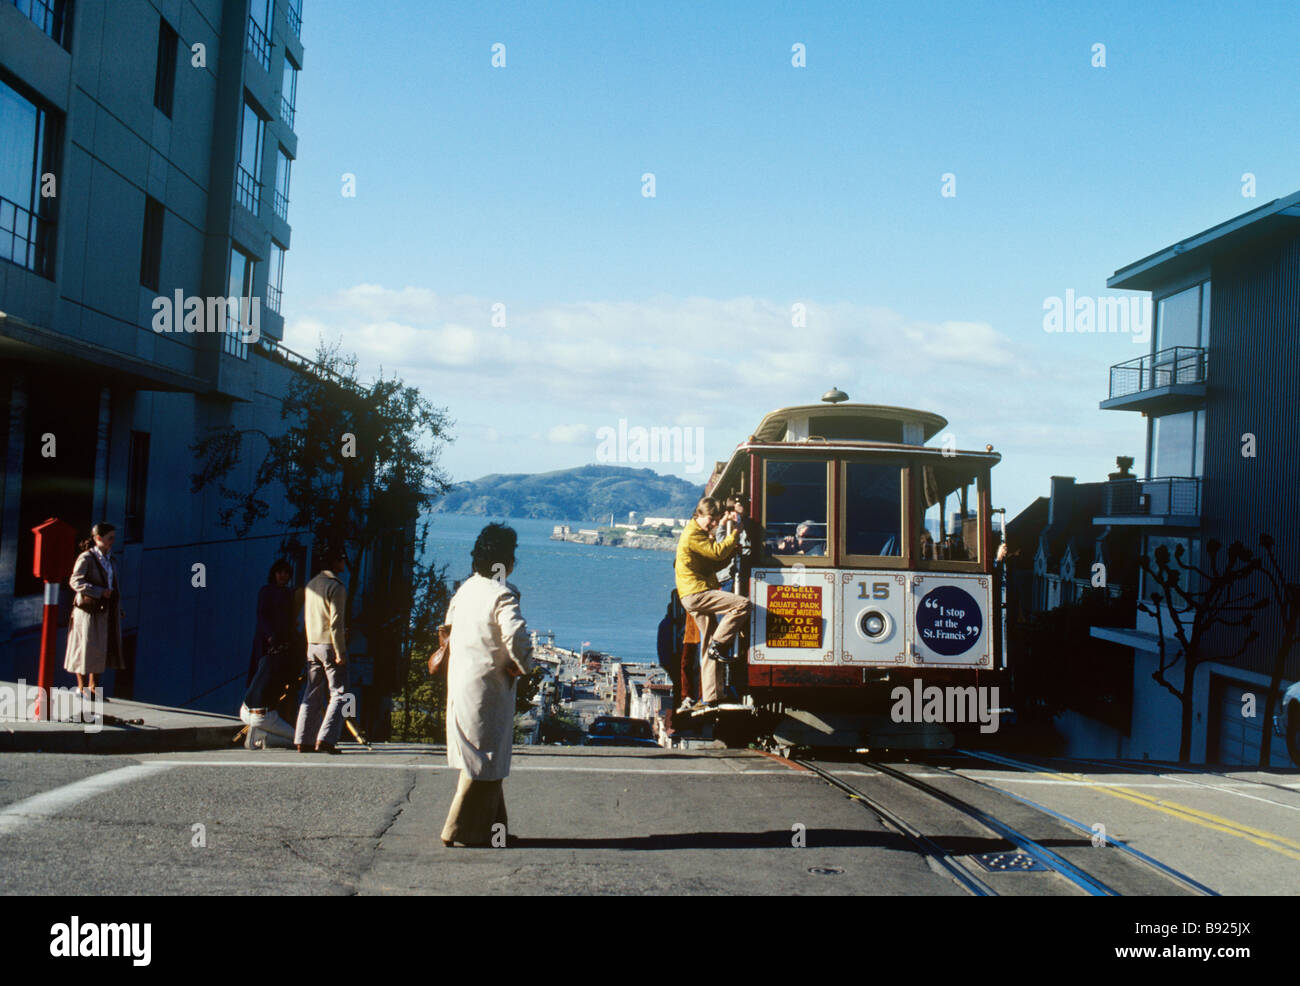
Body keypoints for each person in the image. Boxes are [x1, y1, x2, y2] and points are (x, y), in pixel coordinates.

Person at [441, 523, 533, 847]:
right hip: (489, 686)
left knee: (482, 757)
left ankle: (497, 832)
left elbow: (448, 629)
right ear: (505, 560)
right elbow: (516, 637)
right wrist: (524, 665)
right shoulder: (502, 594)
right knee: (485, 760)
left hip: (461, 682)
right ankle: (458, 829)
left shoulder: (466, 589)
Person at [674, 497, 749, 711]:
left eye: (716, 520)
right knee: (742, 605)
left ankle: (711, 696)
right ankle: (719, 644)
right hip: (697, 594)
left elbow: (713, 551)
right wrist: (735, 532)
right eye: (711, 519)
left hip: (692, 594)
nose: (714, 524)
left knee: (706, 645)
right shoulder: (692, 535)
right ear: (699, 514)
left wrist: (724, 523)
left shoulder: (696, 531)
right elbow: (717, 553)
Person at [294, 545, 349, 754]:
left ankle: (303, 739)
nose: (344, 563)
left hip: (312, 644)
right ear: (335, 563)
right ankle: (326, 739)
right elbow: (336, 622)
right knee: (339, 692)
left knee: (311, 691)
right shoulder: (336, 587)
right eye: (342, 559)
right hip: (329, 643)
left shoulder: (311, 584)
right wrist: (340, 651)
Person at [240, 559, 301, 749]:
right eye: (279, 572)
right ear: (274, 574)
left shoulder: (289, 594)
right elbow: (262, 616)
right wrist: (270, 636)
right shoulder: (266, 591)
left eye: (286, 573)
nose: (283, 576)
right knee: (263, 676)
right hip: (267, 642)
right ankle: (267, 726)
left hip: (281, 642)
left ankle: (263, 727)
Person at [64, 522, 126, 700]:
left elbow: (114, 585)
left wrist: (118, 607)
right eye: (110, 538)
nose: (113, 541)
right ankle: (82, 688)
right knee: (84, 648)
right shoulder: (87, 558)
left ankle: (94, 689)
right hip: (88, 611)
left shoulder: (111, 559)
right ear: (98, 538)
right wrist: (98, 592)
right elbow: (75, 581)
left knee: (100, 649)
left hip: (105, 611)